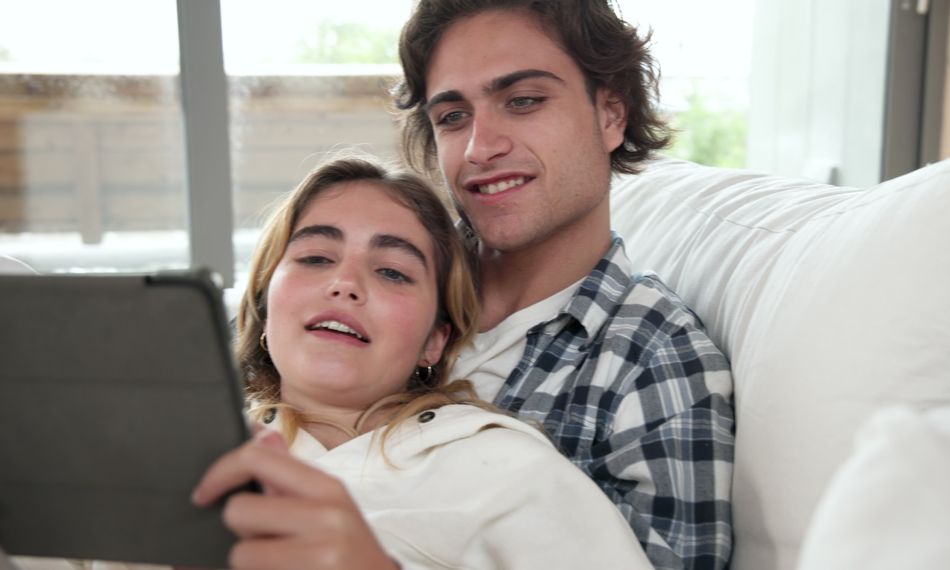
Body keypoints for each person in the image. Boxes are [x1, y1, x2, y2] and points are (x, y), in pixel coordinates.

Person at [392, 1, 736, 568]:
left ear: (610, 115)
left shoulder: (656, 364)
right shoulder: (378, 275)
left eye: (523, 100)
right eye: (453, 117)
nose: (480, 148)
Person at [189, 155, 653, 569]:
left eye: (392, 271)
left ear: (434, 340)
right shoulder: (188, 451)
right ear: (265, 310)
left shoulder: (510, 472)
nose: (344, 283)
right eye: (315, 257)